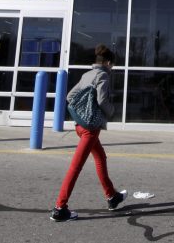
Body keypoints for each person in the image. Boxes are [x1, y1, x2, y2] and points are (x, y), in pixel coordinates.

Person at [51, 44, 126, 222]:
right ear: (108, 62)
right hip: (90, 130)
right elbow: (102, 100)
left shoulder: (87, 75)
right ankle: (60, 208)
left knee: (100, 157)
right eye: (112, 65)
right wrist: (111, 111)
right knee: (75, 167)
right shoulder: (103, 76)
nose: (112, 68)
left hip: (80, 126)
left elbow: (70, 96)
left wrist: (81, 111)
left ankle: (112, 196)